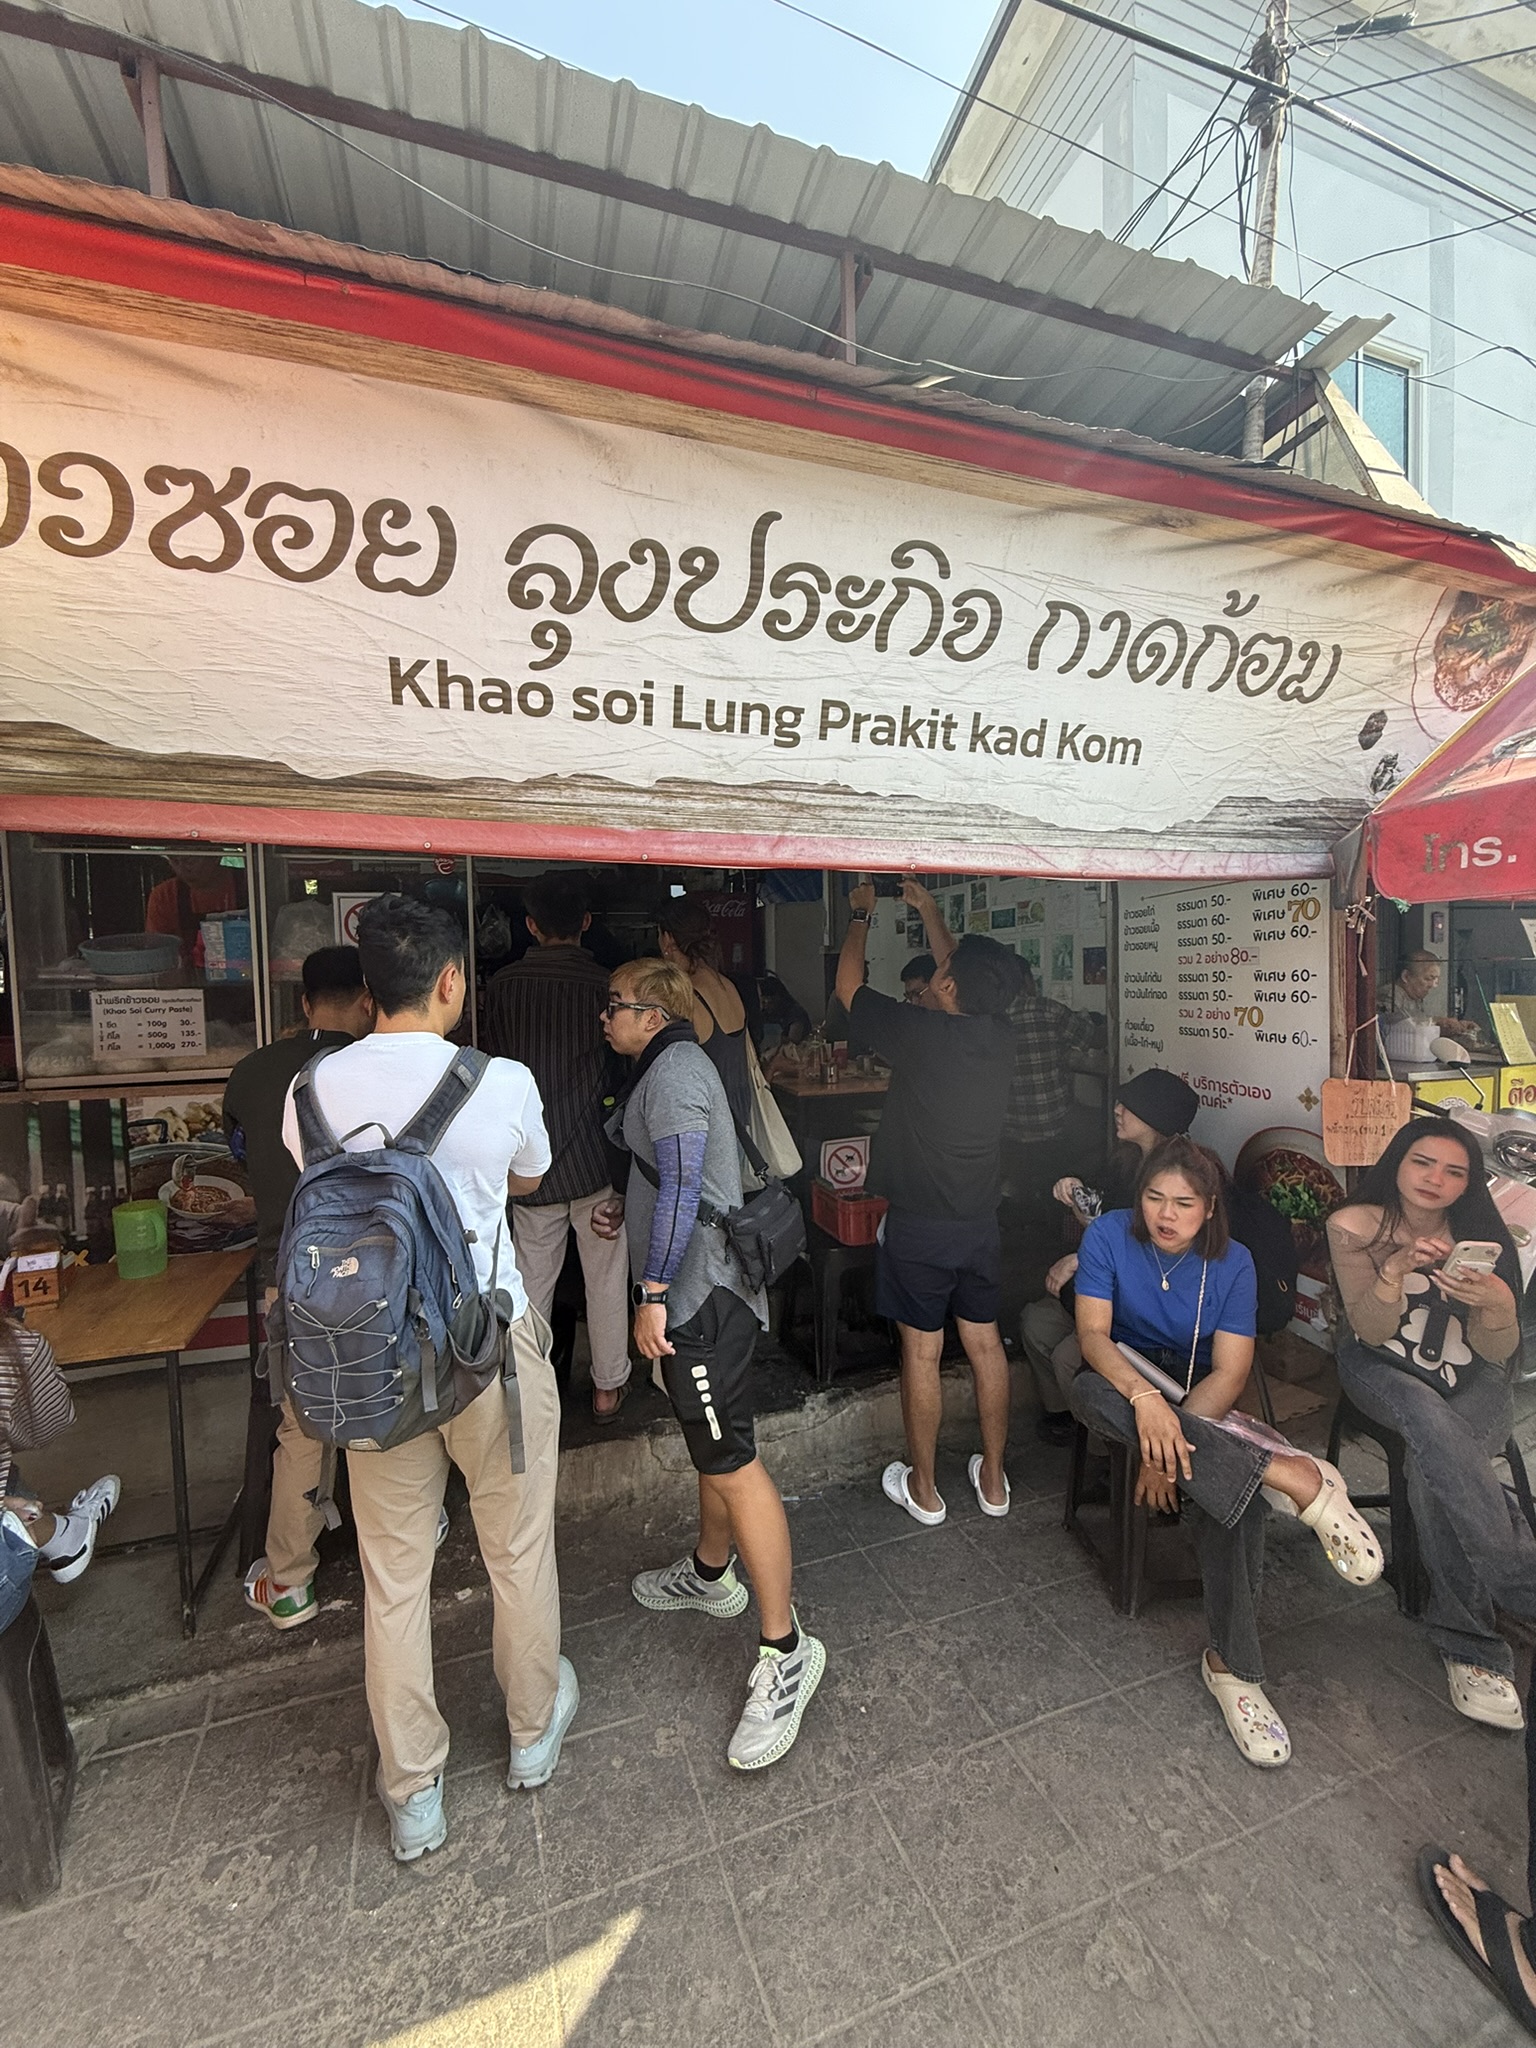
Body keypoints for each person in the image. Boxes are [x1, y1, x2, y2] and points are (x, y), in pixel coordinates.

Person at [281, 894, 573, 1862]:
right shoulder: (501, 1081)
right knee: (517, 1547)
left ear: (367, 994)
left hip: (372, 1359)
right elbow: (529, 1178)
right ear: (452, 982)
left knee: (394, 1573)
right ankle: (532, 1734)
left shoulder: (310, 1092)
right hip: (488, 1348)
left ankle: (415, 1792)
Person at [1071, 1136, 1382, 1765]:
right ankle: (1290, 1475)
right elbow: (1093, 1338)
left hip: (1196, 1387)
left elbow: (1230, 1372)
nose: (1166, 1214)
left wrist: (1169, 1450)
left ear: (1210, 1207)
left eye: (1184, 1203)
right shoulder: (1106, 1235)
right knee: (1085, 1391)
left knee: (1227, 1495)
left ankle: (1234, 1668)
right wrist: (1145, 1403)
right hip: (1119, 1375)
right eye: (1155, 1198)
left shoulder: (1234, 1263)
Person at [596, 955, 824, 1770]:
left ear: (653, 1015)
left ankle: (786, 1649)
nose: (605, 1018)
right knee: (711, 1442)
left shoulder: (677, 1071)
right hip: (699, 1295)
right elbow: (667, 1175)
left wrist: (651, 1289)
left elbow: (689, 1184)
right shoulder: (668, 1065)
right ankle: (710, 1571)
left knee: (732, 1459)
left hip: (701, 1300)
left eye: (615, 1006)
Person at [1327, 1116, 1530, 1728]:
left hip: (1473, 1378)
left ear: (1470, 1184)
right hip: (1379, 1366)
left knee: (1432, 1464)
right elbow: (1371, 1331)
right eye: (1423, 1162)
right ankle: (1516, 1587)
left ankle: (1470, 1644)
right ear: (1398, 1162)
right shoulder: (1354, 1225)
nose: (1435, 1180)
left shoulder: (1483, 1235)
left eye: (1454, 1171)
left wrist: (1495, 1305)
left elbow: (1498, 1357)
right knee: (1426, 1420)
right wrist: (1393, 1272)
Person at [834, 880, 1019, 1524]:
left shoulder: (920, 1035)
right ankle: (993, 1482)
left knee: (923, 1351)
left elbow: (849, 988)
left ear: (946, 989)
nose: (940, 972)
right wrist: (930, 912)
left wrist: (862, 912)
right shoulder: (1001, 1037)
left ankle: (926, 1489)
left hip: (920, 1226)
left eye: (945, 971)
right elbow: (965, 979)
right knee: (987, 1345)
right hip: (979, 1224)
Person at [223, 946, 376, 1629]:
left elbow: (239, 1153)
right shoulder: (375, 1071)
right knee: (383, 1403)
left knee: (302, 1425)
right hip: (371, 1267)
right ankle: (409, 1533)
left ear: (306, 1003)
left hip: (287, 1270)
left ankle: (288, 1584)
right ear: (368, 1000)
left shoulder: (253, 1072)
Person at [482, 871, 633, 1423]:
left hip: (530, 1169)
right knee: (606, 1278)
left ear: (529, 926)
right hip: (595, 1162)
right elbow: (622, 1073)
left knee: (530, 1283)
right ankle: (608, 1388)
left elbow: (491, 1071)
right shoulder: (606, 987)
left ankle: (527, 1389)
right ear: (586, 924)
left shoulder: (502, 988)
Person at [1023, 1067, 1200, 1444]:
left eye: (1128, 1105)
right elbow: (1111, 1229)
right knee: (1036, 1322)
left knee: (1071, 1356)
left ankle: (1114, 1457)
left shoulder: (1181, 1177)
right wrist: (1080, 1205)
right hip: (1110, 1290)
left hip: (1147, 1307)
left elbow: (1154, 1258)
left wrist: (1081, 1259)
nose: (1117, 1110)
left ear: (1154, 1118)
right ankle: (1070, 1422)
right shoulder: (1128, 1161)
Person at [0, 1298, 119, 1596]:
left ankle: (60, 1534)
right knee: (9, 1482)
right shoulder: (16, 1347)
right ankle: (61, 1533)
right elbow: (49, 1425)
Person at [656, 896, 754, 1132]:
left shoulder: (685, 993)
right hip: (740, 1116)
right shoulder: (727, 985)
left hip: (705, 1118)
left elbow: (669, 1063)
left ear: (668, 939)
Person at [145, 853, 241, 965]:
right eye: (175, 860)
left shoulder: (251, 884)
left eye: (190, 861)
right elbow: (158, 953)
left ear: (216, 856)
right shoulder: (164, 896)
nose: (182, 869)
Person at [1380, 949, 1474, 1043]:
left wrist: (1455, 1027)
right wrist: (1437, 1023)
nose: (1434, 985)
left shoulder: (1414, 997)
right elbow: (1400, 1029)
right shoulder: (1389, 995)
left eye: (1436, 980)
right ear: (1406, 976)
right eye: (1429, 978)